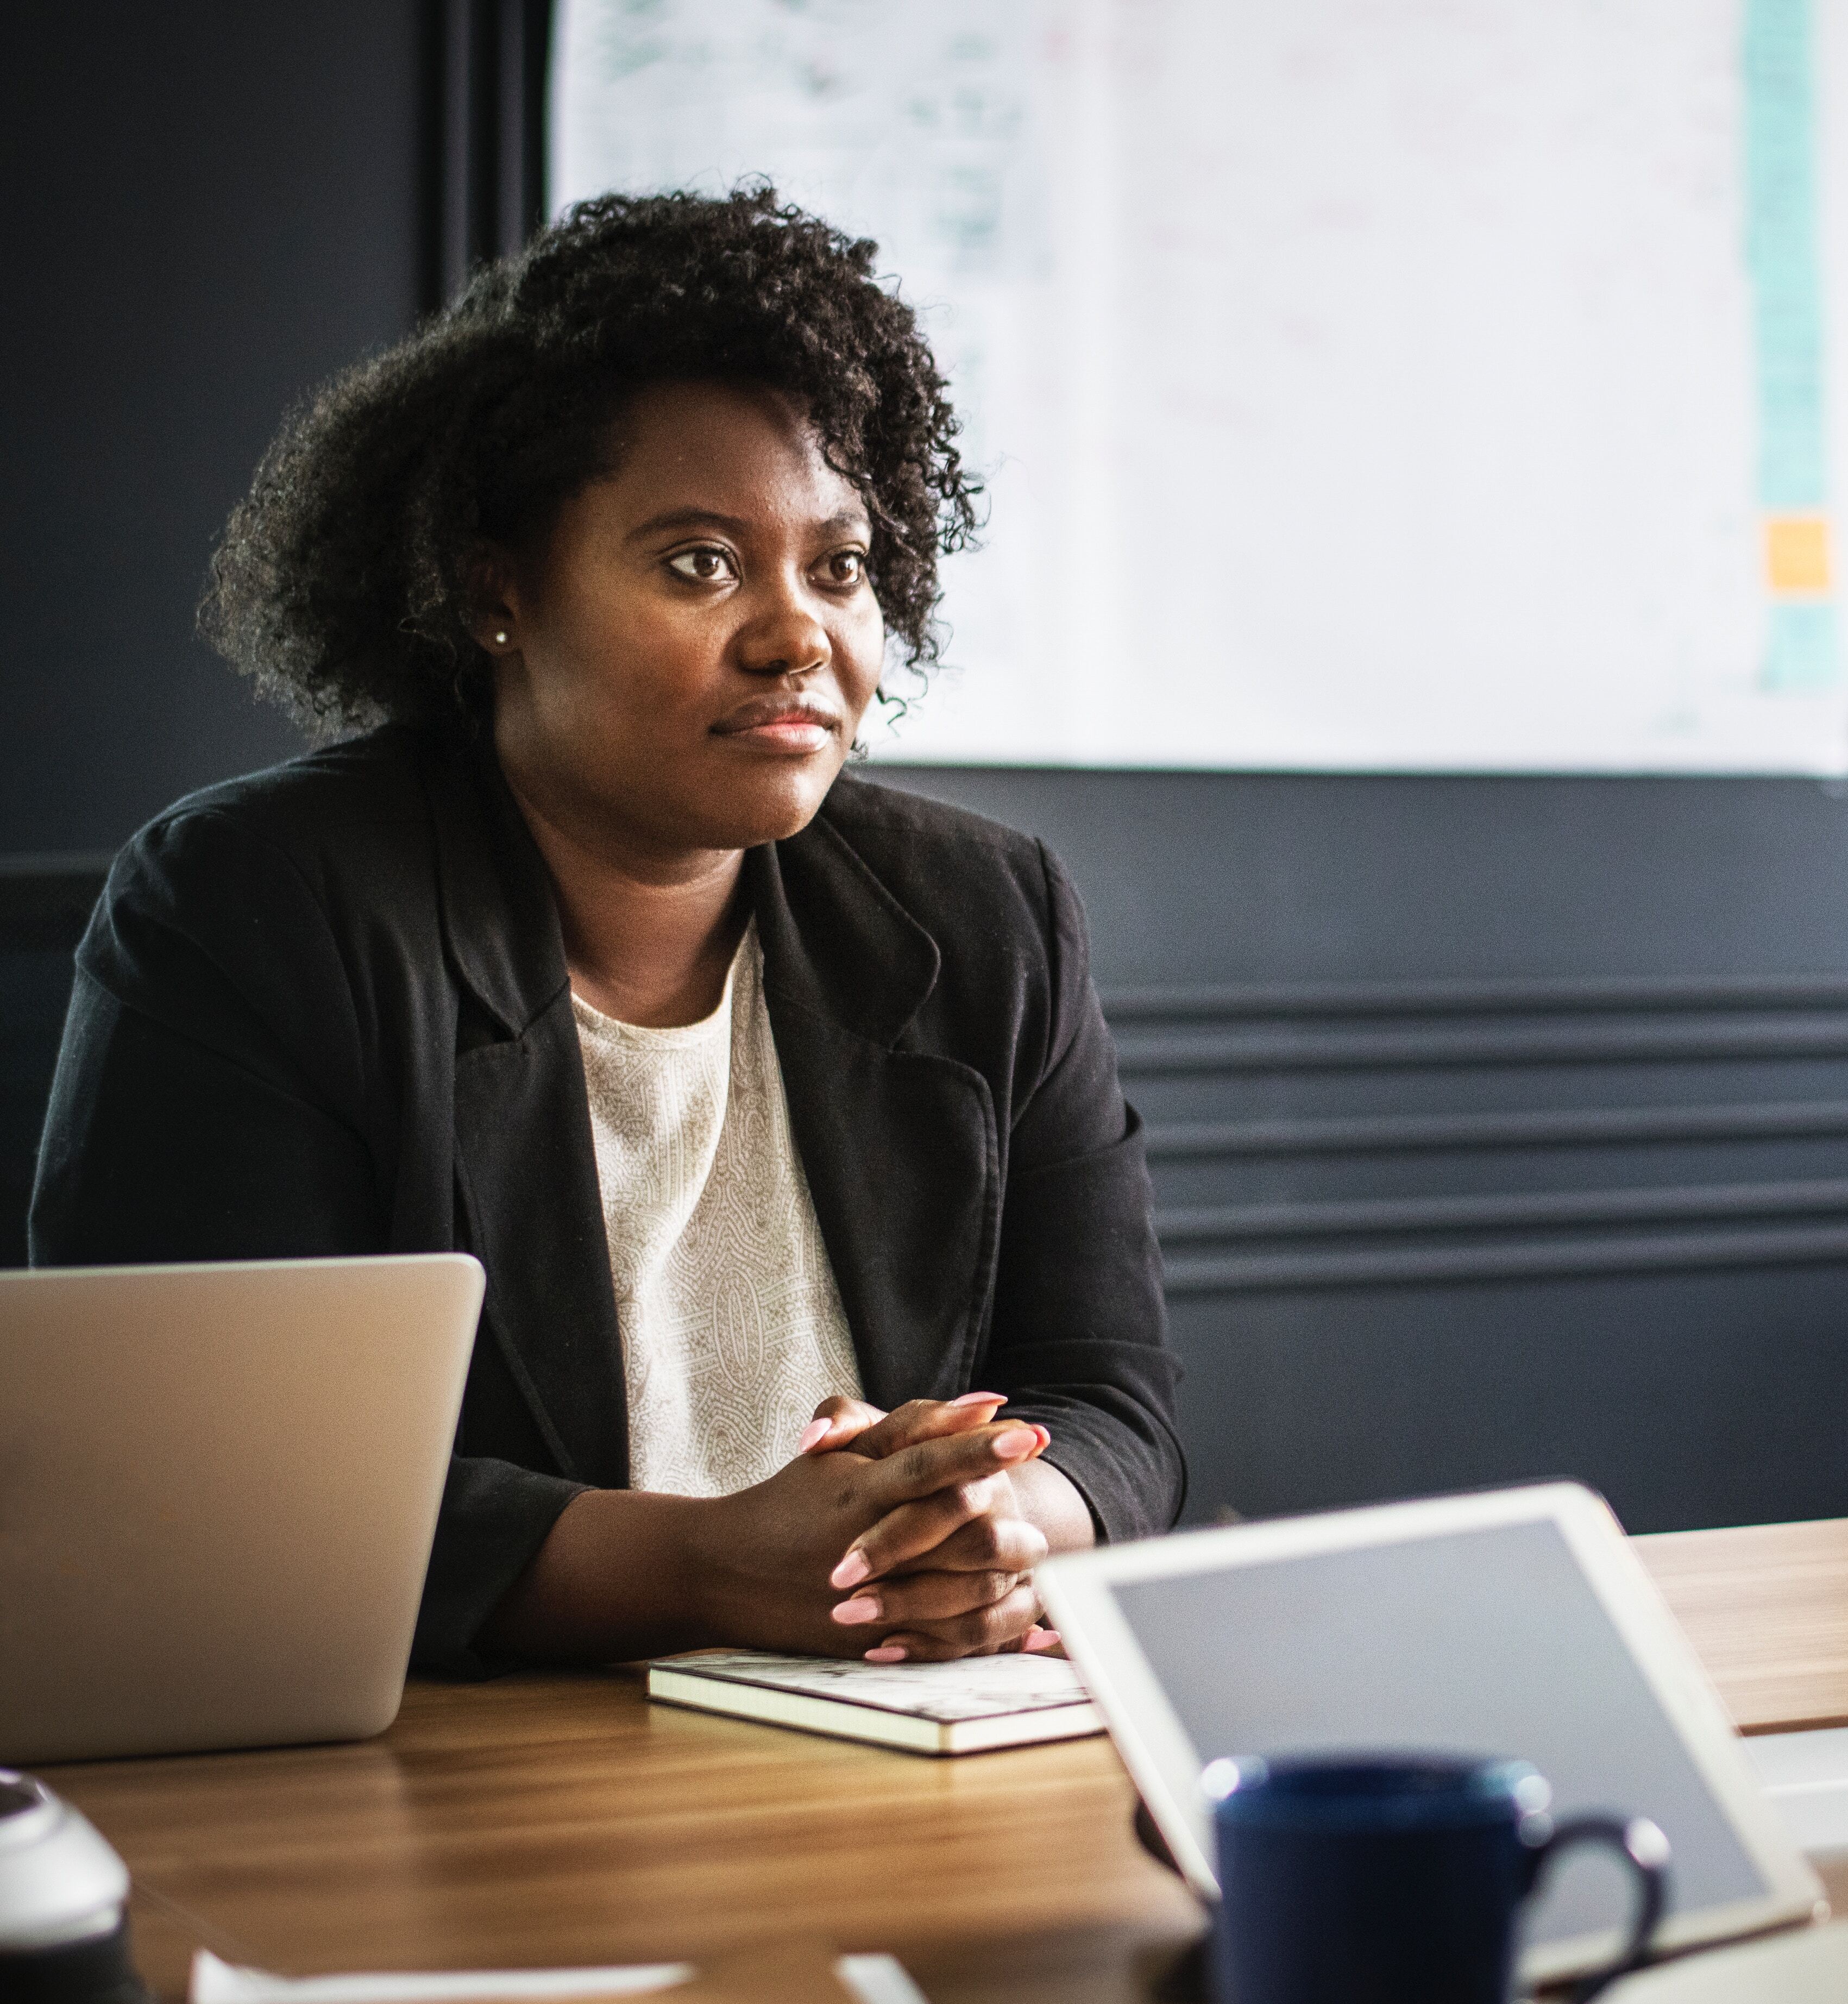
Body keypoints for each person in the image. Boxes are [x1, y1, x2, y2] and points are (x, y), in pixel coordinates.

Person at [30, 188, 1184, 1677]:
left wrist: (993, 1522)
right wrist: (702, 1566)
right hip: (454, 1785)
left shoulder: (987, 914)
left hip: (898, 1740)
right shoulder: (261, 902)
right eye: (700, 562)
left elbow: (1111, 1403)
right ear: (496, 591)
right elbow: (187, 1487)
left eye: (836, 566)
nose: (797, 635)